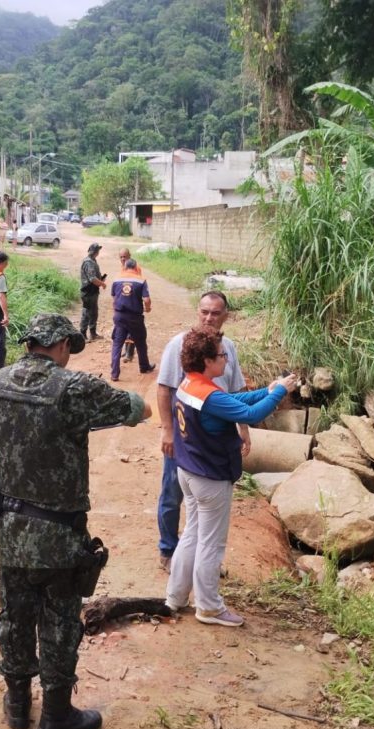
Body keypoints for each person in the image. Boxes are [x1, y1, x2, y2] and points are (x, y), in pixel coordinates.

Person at [0, 314, 151, 729]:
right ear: (61, 347)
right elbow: (138, 409)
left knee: (14, 616)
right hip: (58, 534)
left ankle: (17, 704)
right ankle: (56, 716)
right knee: (58, 621)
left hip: (10, 528)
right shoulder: (72, 388)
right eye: (69, 349)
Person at [165, 326, 297, 627]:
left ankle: (175, 596)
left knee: (192, 534)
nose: (226, 360)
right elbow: (248, 415)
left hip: (188, 470)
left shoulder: (190, 385)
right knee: (211, 544)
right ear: (207, 360)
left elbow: (238, 404)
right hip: (210, 477)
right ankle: (209, 607)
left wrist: (268, 390)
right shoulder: (210, 395)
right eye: (222, 356)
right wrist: (279, 391)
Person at [156, 291, 248, 572]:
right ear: (198, 312)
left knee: (205, 507)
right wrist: (167, 431)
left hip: (215, 441)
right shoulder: (180, 345)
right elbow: (164, 388)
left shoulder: (228, 348)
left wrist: (243, 429)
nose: (209, 318)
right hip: (184, 438)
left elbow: (236, 391)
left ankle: (203, 561)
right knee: (173, 492)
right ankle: (168, 548)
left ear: (226, 316)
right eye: (204, 312)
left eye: (215, 313)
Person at [109, 257, 153, 382]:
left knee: (117, 345)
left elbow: (114, 297)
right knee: (140, 343)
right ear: (135, 267)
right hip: (135, 317)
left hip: (119, 316)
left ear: (125, 266)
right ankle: (144, 367)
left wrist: (116, 312)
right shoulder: (141, 280)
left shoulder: (117, 278)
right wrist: (148, 308)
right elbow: (147, 300)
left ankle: (114, 374)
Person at [78, 243, 106, 341]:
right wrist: (102, 283)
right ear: (95, 251)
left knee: (94, 313)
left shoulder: (93, 260)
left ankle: (93, 334)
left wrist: (101, 279)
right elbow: (92, 279)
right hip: (88, 292)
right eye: (98, 250)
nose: (98, 252)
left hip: (93, 291)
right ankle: (82, 335)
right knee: (86, 314)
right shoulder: (88, 262)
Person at [117, 249, 137, 363]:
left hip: (132, 304)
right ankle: (127, 351)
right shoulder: (122, 269)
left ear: (130, 256)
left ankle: (129, 354)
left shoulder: (135, 268)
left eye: (125, 257)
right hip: (123, 304)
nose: (123, 259)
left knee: (132, 330)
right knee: (124, 328)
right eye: (121, 257)